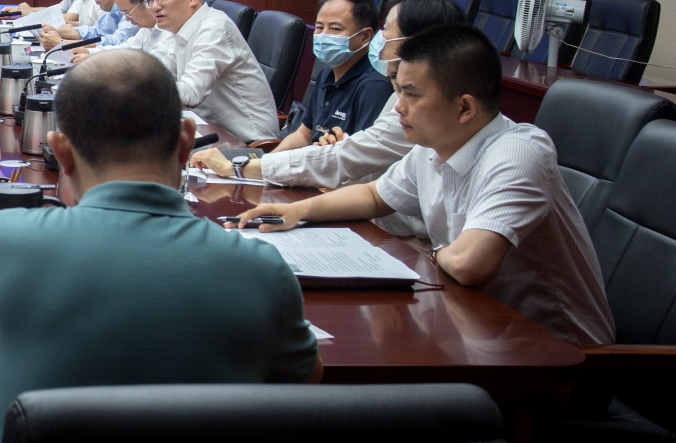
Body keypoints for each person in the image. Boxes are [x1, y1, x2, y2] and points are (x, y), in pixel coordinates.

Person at [0, 49, 320, 443]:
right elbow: (301, 383)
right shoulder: (260, 270)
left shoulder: (2, 243)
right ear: (187, 141)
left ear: (60, 151)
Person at [232, 24, 615, 347]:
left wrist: (426, 253)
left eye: (411, 94)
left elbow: (469, 264)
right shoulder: (434, 146)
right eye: (398, 90)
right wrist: (296, 211)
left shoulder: (517, 152)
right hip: (476, 330)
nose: (398, 106)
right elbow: (374, 195)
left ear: (464, 108)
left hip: (556, 357)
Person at [190, 0, 466, 189]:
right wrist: (261, 167)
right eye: (320, 27)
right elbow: (313, 139)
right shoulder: (386, 91)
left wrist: (244, 168)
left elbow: (350, 158)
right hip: (324, 180)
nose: (381, 39)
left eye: (386, 31)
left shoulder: (382, 90)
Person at [200, 0, 391, 182]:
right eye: (319, 27)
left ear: (365, 36)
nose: (323, 35)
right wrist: (266, 163)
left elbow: (361, 164)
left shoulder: (374, 87)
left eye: (335, 29)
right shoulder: (327, 71)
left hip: (334, 183)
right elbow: (304, 134)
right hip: (310, 169)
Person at [145, 0, 278, 144]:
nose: (154, 6)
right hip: (209, 129)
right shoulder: (180, 29)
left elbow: (191, 92)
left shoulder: (213, 29)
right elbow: (159, 73)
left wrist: (137, 89)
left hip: (246, 142)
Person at [73, 0, 176, 70]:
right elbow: (127, 49)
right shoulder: (146, 29)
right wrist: (90, 52)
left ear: (146, 2)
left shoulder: (170, 31)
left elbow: (151, 67)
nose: (127, 19)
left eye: (128, 12)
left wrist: (96, 60)